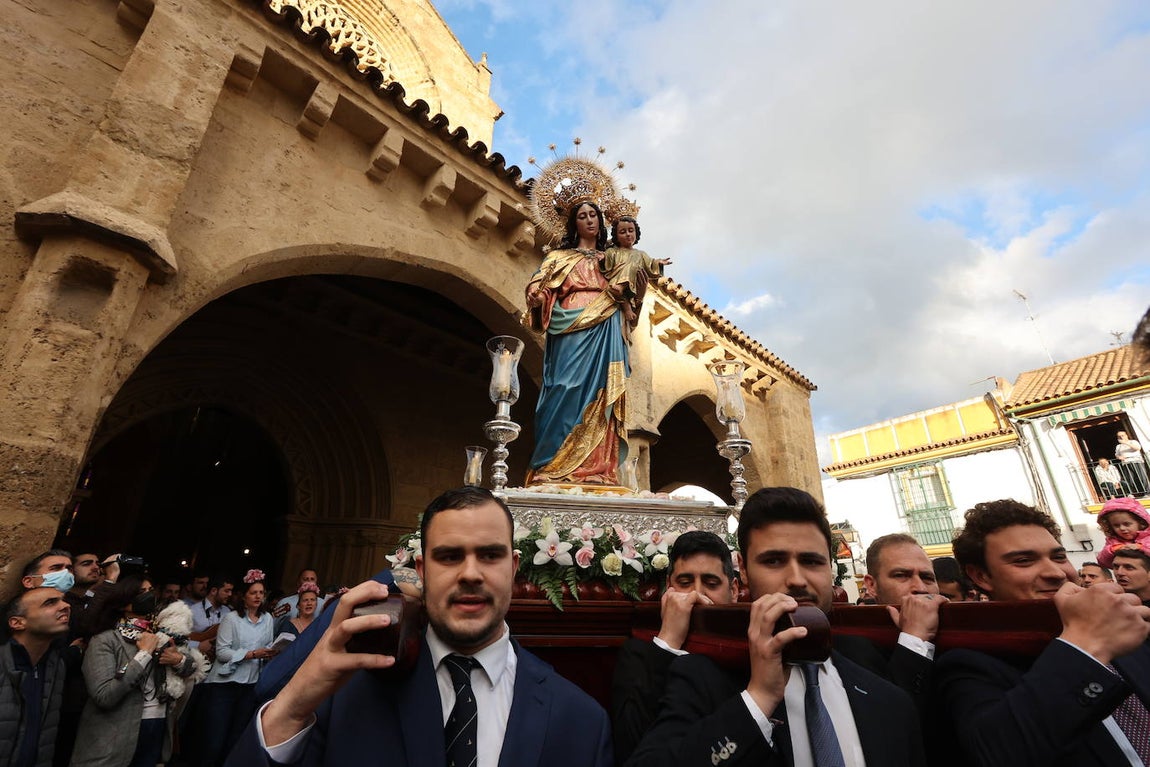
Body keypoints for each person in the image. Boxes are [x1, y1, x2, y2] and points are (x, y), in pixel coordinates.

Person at [228, 486, 612, 766]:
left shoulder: (581, 721)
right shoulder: (343, 696)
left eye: (490, 555)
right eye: (449, 556)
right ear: (422, 572)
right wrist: (294, 705)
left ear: (512, 569)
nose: (471, 574)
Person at [627, 487, 925, 766]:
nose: (796, 578)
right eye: (773, 561)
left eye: (812, 561)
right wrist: (759, 698)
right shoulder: (703, 678)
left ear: (830, 567)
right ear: (743, 570)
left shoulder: (879, 684)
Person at [938, 499, 1150, 767]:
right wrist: (1085, 647)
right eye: (1024, 561)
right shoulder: (967, 662)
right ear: (981, 577)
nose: (1055, 572)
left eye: (1059, 557)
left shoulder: (1122, 628)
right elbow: (999, 754)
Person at [524, 200, 630, 485]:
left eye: (593, 215)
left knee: (603, 390)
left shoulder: (612, 257)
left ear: (600, 221)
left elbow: (632, 291)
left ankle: (597, 469)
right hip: (570, 324)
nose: (589, 220)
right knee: (564, 387)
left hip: (607, 323)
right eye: (582, 216)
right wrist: (538, 296)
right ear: (575, 224)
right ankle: (552, 465)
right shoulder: (560, 257)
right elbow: (540, 283)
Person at [611, 530, 737, 762]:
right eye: (685, 582)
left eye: (711, 583)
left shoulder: (746, 650)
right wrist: (669, 640)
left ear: (734, 591)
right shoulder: (638, 653)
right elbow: (629, 743)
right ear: (668, 588)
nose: (697, 594)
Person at [72, 577, 199, 767]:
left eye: (150, 590)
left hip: (156, 724)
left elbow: (191, 667)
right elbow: (105, 695)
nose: (149, 596)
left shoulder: (160, 634)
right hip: (116, 731)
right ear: (124, 603)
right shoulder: (106, 640)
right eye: (141, 592)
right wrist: (144, 654)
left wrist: (178, 660)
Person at [197, 570, 276, 766]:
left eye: (261, 593)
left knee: (236, 739)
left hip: (250, 685)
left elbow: (268, 646)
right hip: (224, 685)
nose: (258, 596)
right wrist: (251, 654)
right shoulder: (231, 618)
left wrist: (271, 652)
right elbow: (222, 653)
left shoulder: (268, 619)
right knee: (214, 740)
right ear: (243, 596)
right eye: (253, 593)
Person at [861, 534, 944, 711]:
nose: (920, 588)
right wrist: (915, 639)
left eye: (928, 577)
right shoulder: (853, 649)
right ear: (871, 585)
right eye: (901, 575)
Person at [1, 587, 69, 767]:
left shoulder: (55, 666)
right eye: (50, 603)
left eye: (63, 600)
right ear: (17, 623)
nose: (65, 606)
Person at [601, 216, 671, 339]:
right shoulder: (612, 252)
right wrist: (602, 259)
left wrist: (658, 263)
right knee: (621, 289)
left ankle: (623, 292)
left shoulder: (640, 254)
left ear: (636, 233)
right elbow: (607, 266)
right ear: (616, 236)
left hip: (628, 287)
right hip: (614, 283)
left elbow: (650, 264)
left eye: (631, 231)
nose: (628, 234)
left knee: (634, 266)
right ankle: (623, 295)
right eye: (622, 232)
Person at [1095, 496, 1150, 568]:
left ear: (1141, 523)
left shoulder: (1147, 537)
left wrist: (1141, 547)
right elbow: (1102, 562)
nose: (1122, 528)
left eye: (1127, 524)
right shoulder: (1113, 541)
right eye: (1116, 525)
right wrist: (1111, 550)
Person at [1115, 430, 1148, 497]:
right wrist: (1119, 457)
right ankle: (1134, 493)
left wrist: (1126, 443)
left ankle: (1147, 493)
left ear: (1126, 435)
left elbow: (1137, 448)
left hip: (1136, 461)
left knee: (1142, 477)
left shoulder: (1133, 442)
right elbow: (1116, 454)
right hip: (1126, 463)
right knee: (1130, 479)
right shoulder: (1118, 446)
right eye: (1119, 436)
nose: (1121, 437)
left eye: (1122, 435)